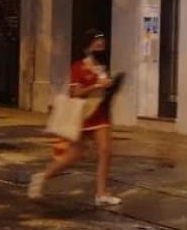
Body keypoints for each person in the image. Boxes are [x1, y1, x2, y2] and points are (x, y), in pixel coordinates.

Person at [29, 30, 121, 207]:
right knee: (74, 155)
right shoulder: (79, 66)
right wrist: (96, 84)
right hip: (83, 115)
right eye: (96, 40)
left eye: (102, 40)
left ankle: (101, 193)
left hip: (100, 113)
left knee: (105, 151)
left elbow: (102, 90)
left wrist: (109, 85)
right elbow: (74, 93)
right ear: (88, 44)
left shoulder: (101, 66)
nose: (100, 43)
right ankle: (40, 178)